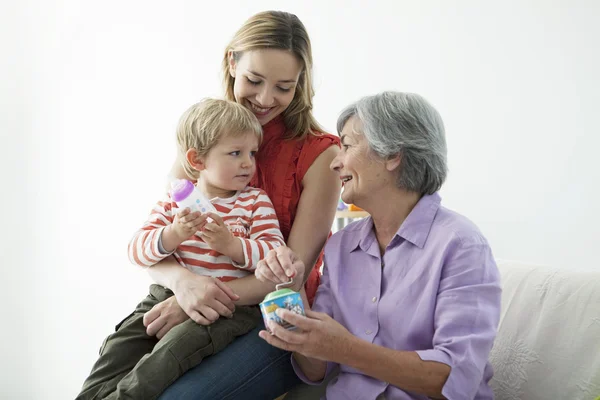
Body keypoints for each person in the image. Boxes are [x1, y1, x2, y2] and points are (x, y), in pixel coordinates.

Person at [145, 11, 341, 400]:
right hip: (193, 296)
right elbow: (159, 236)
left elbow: (291, 275)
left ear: (300, 83)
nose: (266, 99)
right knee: (110, 380)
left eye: (284, 86)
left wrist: (200, 298)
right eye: (254, 80)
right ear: (232, 63)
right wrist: (182, 284)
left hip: (275, 314)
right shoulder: (206, 135)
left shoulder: (322, 155)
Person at [257, 91, 502, 400]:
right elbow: (317, 368)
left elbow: (454, 379)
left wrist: (346, 348)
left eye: (346, 146)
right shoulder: (341, 246)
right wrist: (291, 289)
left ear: (392, 155)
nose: (336, 162)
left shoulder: (462, 245)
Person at [77, 98, 287, 399]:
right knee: (118, 346)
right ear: (197, 160)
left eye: (252, 153)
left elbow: (274, 257)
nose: (248, 163)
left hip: (228, 309)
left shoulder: (254, 202)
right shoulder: (174, 203)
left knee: (171, 352)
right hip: (167, 297)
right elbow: (137, 250)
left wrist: (232, 245)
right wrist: (173, 234)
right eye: (236, 153)